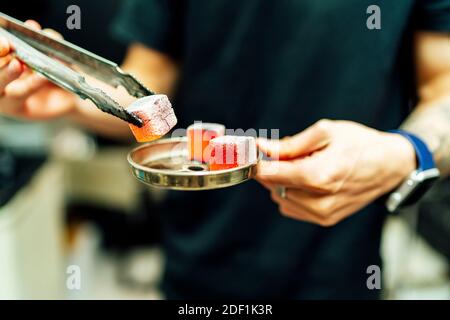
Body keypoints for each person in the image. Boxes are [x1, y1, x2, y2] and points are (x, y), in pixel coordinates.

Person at [1, 0, 449, 299]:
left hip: (343, 270)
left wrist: (408, 150)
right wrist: (71, 100)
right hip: (193, 268)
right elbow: (149, 91)